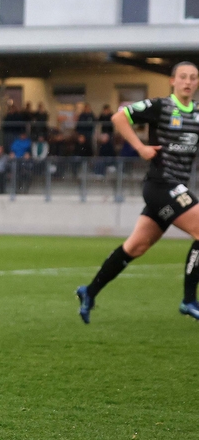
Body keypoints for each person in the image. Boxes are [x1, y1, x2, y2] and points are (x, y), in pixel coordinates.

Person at [77, 61, 199, 323]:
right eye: (183, 77)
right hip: (160, 185)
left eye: (193, 78)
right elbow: (118, 117)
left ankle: (89, 291)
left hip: (174, 191)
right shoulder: (161, 106)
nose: (188, 82)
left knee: (136, 246)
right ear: (172, 81)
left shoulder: (198, 114)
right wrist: (141, 147)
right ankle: (189, 300)